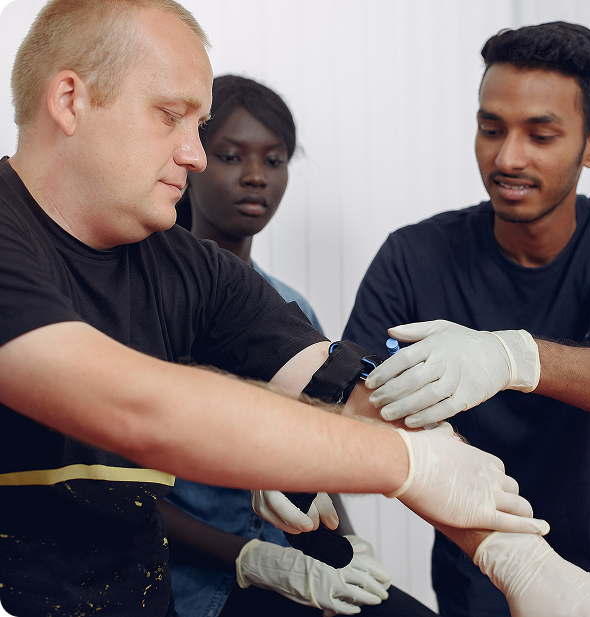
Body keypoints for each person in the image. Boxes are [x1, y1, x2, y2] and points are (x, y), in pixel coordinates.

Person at [0, 1, 548, 615]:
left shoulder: (188, 268)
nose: (195, 155)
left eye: (198, 126)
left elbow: (351, 390)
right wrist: (402, 463)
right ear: (70, 100)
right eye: (170, 117)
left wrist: (520, 559)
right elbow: (133, 407)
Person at [343, 21, 590, 617]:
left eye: (541, 135)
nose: (508, 157)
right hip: (487, 577)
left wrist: (511, 357)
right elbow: (348, 398)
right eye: (491, 129)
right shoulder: (413, 256)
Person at [161, 73, 436, 616]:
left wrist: (348, 550)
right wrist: (253, 558)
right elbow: (121, 494)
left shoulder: (292, 310)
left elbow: (320, 460)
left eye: (275, 160)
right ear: (191, 158)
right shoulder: (149, 299)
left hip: (296, 563)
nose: (256, 177)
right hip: (198, 581)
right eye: (231, 157)